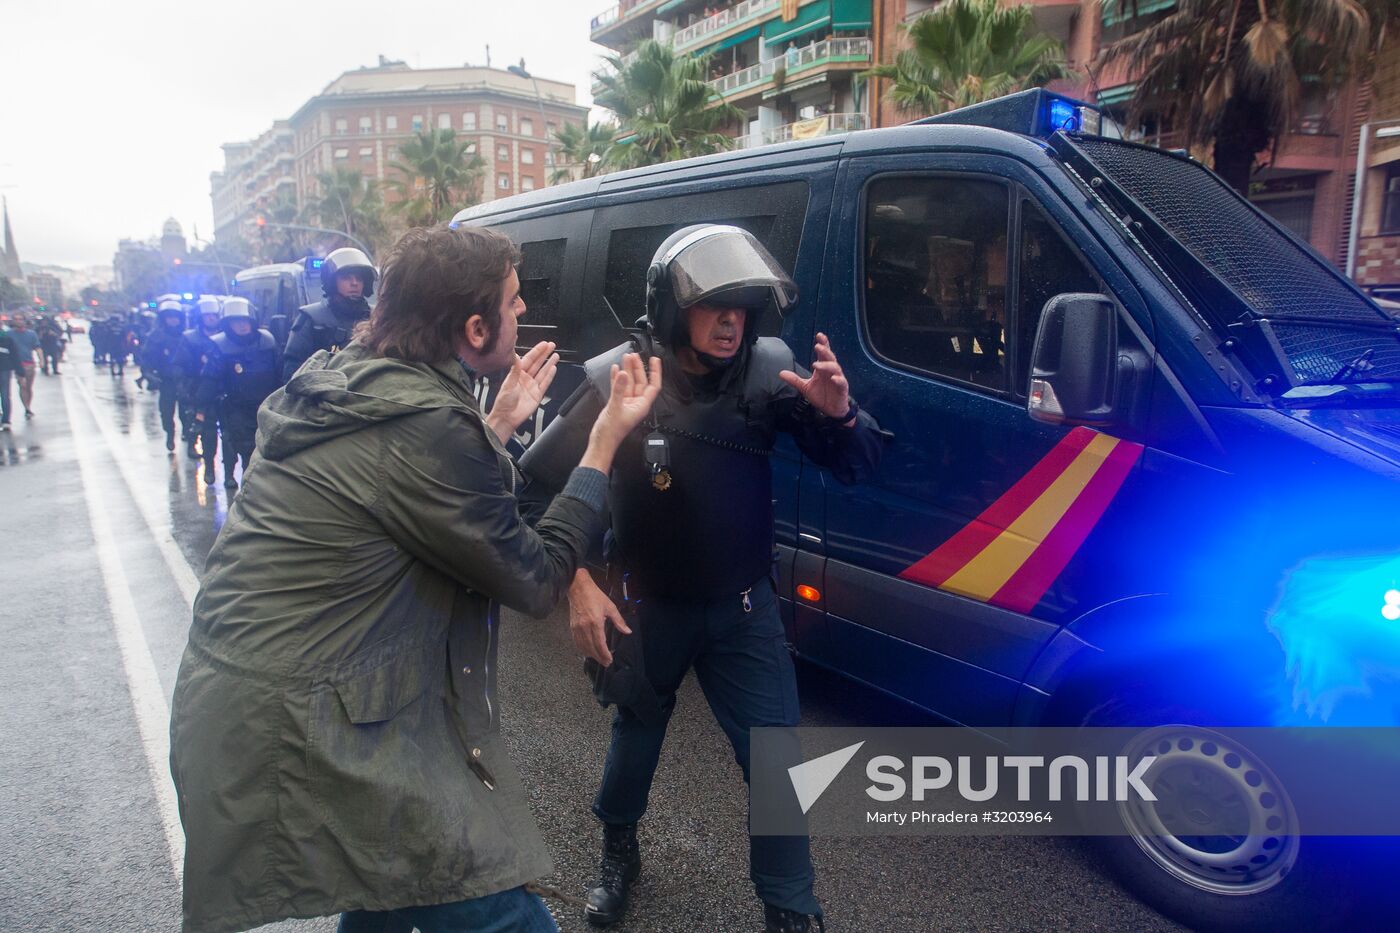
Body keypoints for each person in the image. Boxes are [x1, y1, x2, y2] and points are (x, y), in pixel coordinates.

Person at [169, 223, 662, 933]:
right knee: (486, 900)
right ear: (472, 325)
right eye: (515, 301)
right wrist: (604, 441)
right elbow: (533, 576)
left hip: (265, 696)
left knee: (389, 891)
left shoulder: (357, 376)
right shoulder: (427, 422)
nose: (524, 313)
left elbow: (407, 491)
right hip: (302, 716)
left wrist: (490, 424)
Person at [519, 224, 882, 932]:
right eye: (716, 306)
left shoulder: (767, 374)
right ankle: (618, 851)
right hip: (646, 610)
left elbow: (857, 464)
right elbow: (535, 493)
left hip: (743, 612)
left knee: (777, 764)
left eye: (743, 309)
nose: (732, 323)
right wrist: (580, 581)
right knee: (635, 740)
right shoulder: (619, 378)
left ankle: (791, 906)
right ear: (670, 306)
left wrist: (841, 415)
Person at [196, 297, 279, 489]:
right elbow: (210, 379)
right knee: (241, 446)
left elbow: (280, 372)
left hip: (266, 405)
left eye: (244, 321)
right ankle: (242, 484)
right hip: (235, 407)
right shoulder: (220, 345)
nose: (241, 326)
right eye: (236, 322)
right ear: (227, 324)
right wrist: (200, 407)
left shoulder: (267, 342)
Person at [281, 246, 376, 381]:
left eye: (359, 278)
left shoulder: (377, 318)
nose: (354, 283)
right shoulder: (311, 319)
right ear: (332, 282)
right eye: (346, 278)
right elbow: (293, 375)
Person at [174, 297, 223, 477]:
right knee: (207, 431)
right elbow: (181, 365)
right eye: (207, 315)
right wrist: (184, 389)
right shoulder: (190, 339)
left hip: (225, 390)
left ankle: (230, 473)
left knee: (231, 434)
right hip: (201, 390)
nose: (211, 319)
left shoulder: (228, 336)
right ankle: (209, 466)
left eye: (214, 315)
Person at [140, 300, 192, 451]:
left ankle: (188, 438)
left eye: (175, 317)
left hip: (185, 381)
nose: (173, 320)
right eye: (169, 317)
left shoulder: (187, 336)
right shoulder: (155, 337)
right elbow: (147, 358)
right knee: (166, 412)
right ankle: (170, 434)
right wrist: (149, 374)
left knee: (187, 412)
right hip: (166, 381)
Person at [6, 314, 39, 419]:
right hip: (17, 365)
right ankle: (27, 408)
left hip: (30, 364)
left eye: (20, 319)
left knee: (28, 387)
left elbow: (37, 346)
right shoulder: (8, 334)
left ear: (24, 321)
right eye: (16, 319)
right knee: (22, 385)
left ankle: (28, 404)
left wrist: (42, 359)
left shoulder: (31, 334)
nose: (18, 321)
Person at [0, 322, 15, 430]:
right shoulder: (6, 337)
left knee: (5, 395)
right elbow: (14, 353)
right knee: (5, 394)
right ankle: (6, 420)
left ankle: (5, 420)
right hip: (5, 368)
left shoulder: (6, 337)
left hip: (4, 368)